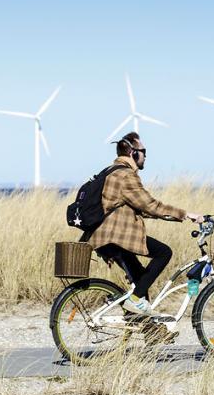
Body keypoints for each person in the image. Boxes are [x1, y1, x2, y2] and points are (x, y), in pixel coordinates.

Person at [86, 132, 204, 316]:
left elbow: (137, 208)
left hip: (104, 239)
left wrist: (171, 217)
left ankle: (149, 333)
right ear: (133, 153)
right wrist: (186, 214)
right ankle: (133, 301)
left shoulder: (112, 171)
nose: (146, 156)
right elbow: (150, 205)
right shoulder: (126, 176)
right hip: (115, 237)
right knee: (164, 253)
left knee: (141, 279)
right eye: (143, 151)